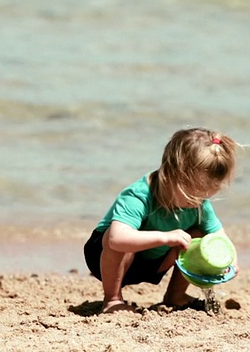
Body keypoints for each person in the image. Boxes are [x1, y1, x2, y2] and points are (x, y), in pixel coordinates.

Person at [83, 127, 240, 313]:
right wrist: (165, 237)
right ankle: (113, 299)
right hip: (107, 258)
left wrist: (230, 261)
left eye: (203, 198)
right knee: (116, 235)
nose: (196, 203)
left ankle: (175, 295)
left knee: (198, 236)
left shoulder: (198, 203)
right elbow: (116, 239)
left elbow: (218, 236)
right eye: (191, 197)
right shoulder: (140, 195)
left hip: (153, 263)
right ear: (171, 174)